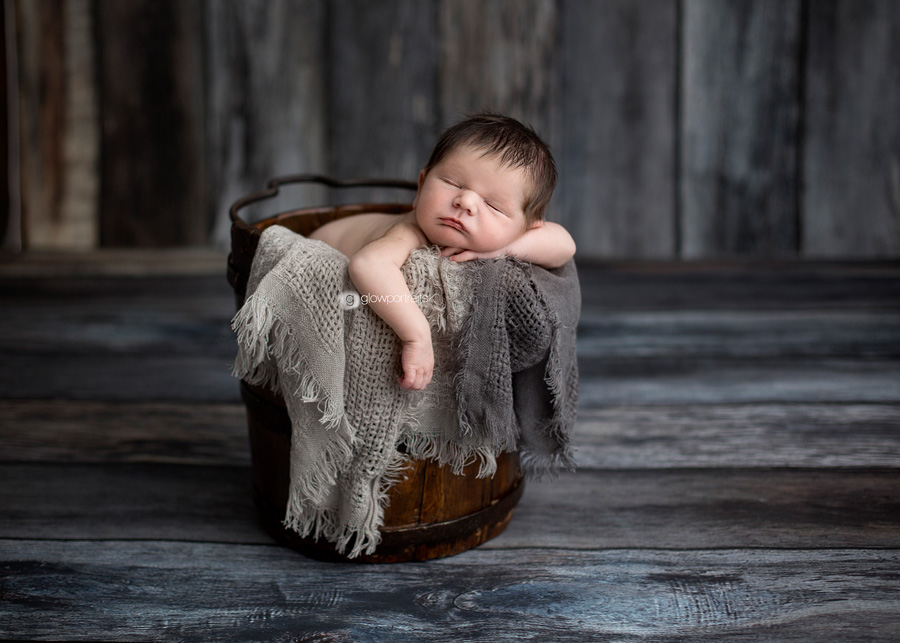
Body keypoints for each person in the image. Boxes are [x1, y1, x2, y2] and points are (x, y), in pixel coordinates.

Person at [309, 113, 576, 391]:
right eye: (453, 183)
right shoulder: (410, 231)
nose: (466, 201)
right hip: (321, 249)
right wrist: (417, 335)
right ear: (421, 184)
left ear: (528, 227)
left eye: (493, 206)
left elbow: (566, 246)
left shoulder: (511, 237)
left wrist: (503, 248)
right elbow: (368, 265)